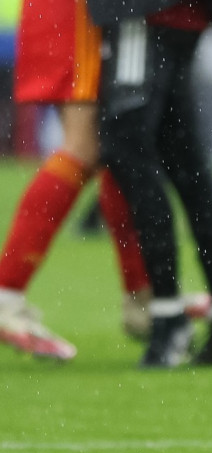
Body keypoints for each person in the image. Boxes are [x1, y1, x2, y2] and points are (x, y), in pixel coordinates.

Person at [89, 0, 212, 367]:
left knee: (127, 150)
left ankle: (169, 314)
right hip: (185, 14)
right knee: (185, 162)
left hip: (143, 13)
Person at [0, 0, 152, 361]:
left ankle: (143, 296)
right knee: (86, 145)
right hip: (76, 12)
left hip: (64, 12)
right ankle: (6, 291)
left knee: (111, 146)